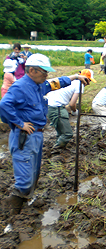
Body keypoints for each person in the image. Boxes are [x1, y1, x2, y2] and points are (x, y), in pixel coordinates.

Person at [0, 54, 90, 229]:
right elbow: (4, 105)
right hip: (24, 137)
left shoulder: (38, 85)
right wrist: (19, 123)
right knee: (25, 179)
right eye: (44, 72)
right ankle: (12, 214)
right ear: (32, 70)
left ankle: (24, 203)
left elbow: (56, 83)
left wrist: (75, 77)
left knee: (35, 174)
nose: (46, 75)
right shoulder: (20, 87)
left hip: (37, 135)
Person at [47, 69, 96, 149]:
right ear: (85, 79)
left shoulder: (71, 80)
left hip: (50, 106)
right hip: (57, 107)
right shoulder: (80, 85)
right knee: (67, 134)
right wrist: (75, 111)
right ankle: (55, 150)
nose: (89, 84)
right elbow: (72, 104)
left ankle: (59, 149)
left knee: (61, 132)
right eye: (89, 81)